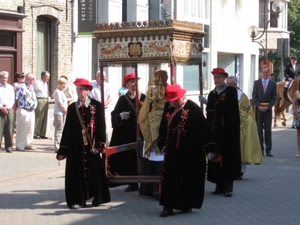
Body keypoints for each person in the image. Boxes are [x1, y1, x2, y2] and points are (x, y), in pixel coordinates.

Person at [156, 84, 221, 217]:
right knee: (170, 178)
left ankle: (186, 204)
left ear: (181, 97)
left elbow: (204, 130)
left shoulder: (193, 108)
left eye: (175, 100)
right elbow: (163, 127)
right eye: (171, 101)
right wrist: (162, 143)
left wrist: (209, 149)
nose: (173, 103)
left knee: (188, 179)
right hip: (172, 152)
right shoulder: (168, 107)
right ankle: (167, 206)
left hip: (190, 152)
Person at [56, 78, 110, 209]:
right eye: (77, 89)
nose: (79, 92)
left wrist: (99, 146)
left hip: (92, 146)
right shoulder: (72, 108)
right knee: (76, 174)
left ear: (88, 91)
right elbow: (67, 129)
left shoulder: (96, 106)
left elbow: (101, 127)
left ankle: (97, 198)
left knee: (94, 173)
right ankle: (77, 200)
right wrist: (63, 149)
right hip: (76, 148)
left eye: (81, 90)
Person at [206, 67, 241, 197]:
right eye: (215, 77)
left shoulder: (230, 91)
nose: (216, 80)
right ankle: (218, 185)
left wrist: (211, 105)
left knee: (227, 158)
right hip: (215, 131)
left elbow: (227, 110)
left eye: (219, 77)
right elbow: (209, 113)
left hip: (227, 131)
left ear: (224, 78)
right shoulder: (212, 93)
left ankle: (228, 186)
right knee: (216, 157)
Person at [108, 72, 145, 192]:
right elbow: (114, 115)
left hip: (143, 132)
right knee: (129, 158)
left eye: (136, 81)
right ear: (127, 85)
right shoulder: (123, 100)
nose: (135, 84)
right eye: (132, 82)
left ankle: (145, 183)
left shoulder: (144, 97)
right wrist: (120, 116)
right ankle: (132, 182)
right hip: (127, 134)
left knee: (143, 157)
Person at [138, 70, 168, 199]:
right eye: (156, 78)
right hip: (152, 124)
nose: (158, 80)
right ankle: (149, 188)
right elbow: (146, 107)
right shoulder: (152, 90)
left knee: (161, 158)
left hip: (164, 123)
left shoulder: (169, 90)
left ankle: (159, 188)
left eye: (160, 78)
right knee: (153, 158)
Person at [226, 76, 264, 179]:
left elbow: (248, 112)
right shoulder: (223, 95)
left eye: (231, 85)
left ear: (236, 85)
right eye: (227, 84)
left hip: (241, 127)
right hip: (227, 127)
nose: (229, 87)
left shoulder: (242, 96)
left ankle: (240, 172)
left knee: (241, 150)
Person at [252, 65, 277, 157]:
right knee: (259, 130)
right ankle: (260, 150)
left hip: (268, 110)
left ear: (269, 73)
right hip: (259, 110)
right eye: (264, 72)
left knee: (268, 130)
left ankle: (268, 150)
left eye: (267, 72)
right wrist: (259, 106)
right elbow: (254, 96)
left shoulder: (273, 83)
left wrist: (269, 106)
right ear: (261, 73)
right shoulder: (257, 83)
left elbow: (274, 97)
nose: (265, 74)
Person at [15, 73, 37, 151]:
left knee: (30, 128)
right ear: (27, 79)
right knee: (22, 129)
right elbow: (16, 99)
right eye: (32, 79)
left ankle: (28, 144)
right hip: (23, 109)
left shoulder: (31, 87)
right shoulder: (21, 87)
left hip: (31, 110)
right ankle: (19, 145)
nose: (34, 80)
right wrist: (16, 110)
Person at [89, 70, 112, 145]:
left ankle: (107, 146)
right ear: (98, 77)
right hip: (96, 110)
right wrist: (98, 105)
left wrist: (104, 104)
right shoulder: (92, 86)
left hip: (105, 110)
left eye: (105, 77)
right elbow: (90, 97)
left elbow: (110, 97)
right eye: (103, 77)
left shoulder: (107, 85)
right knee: (97, 128)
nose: (104, 78)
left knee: (107, 130)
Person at [0, 71, 15, 153]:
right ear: (0, 78)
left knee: (9, 128)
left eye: (6, 78)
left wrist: (7, 107)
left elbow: (12, 99)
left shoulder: (10, 87)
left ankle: (8, 147)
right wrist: (2, 107)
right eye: (3, 77)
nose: (4, 79)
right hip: (0, 108)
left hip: (9, 109)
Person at [33, 71, 50, 139]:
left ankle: (42, 133)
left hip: (45, 100)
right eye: (47, 76)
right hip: (39, 99)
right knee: (38, 117)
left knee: (44, 117)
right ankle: (36, 133)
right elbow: (33, 91)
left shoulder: (46, 83)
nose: (48, 78)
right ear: (43, 76)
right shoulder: (37, 83)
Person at [53, 77, 68, 153]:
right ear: (58, 84)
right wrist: (66, 111)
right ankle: (57, 147)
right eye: (62, 84)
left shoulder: (62, 92)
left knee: (61, 130)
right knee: (59, 130)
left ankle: (60, 145)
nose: (64, 85)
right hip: (59, 113)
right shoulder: (57, 92)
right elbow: (60, 103)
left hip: (62, 113)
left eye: (65, 84)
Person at [291, 87, 300, 157]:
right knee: (299, 133)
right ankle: (299, 151)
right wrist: (297, 114)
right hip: (298, 115)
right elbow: (293, 104)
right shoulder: (297, 93)